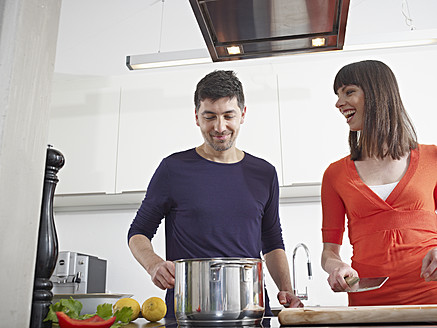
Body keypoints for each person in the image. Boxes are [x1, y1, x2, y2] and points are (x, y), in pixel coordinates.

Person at [128, 70, 303, 317]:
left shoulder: (264, 173)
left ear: (242, 114)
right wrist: (153, 265)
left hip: (250, 311)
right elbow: (138, 232)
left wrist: (287, 290)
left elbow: (272, 240)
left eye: (228, 116)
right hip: (188, 312)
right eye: (209, 117)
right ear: (196, 118)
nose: (220, 127)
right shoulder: (173, 169)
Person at [321, 59, 437, 306]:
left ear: (377, 93)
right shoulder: (335, 174)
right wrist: (338, 267)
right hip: (368, 302)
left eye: (349, 92)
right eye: (338, 95)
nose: (338, 103)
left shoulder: (433, 159)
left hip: (430, 296)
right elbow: (328, 252)